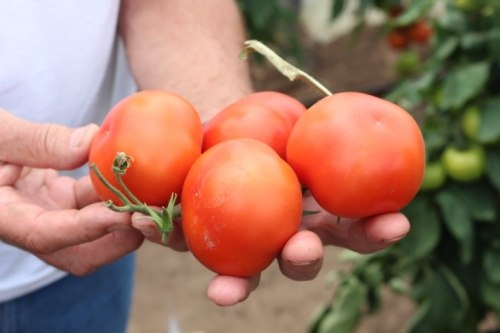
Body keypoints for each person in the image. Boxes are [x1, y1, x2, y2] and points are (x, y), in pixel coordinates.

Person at [0, 0, 410, 332]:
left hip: (83, 241)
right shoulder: (133, 172)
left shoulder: (134, 178)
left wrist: (220, 124)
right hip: (88, 205)